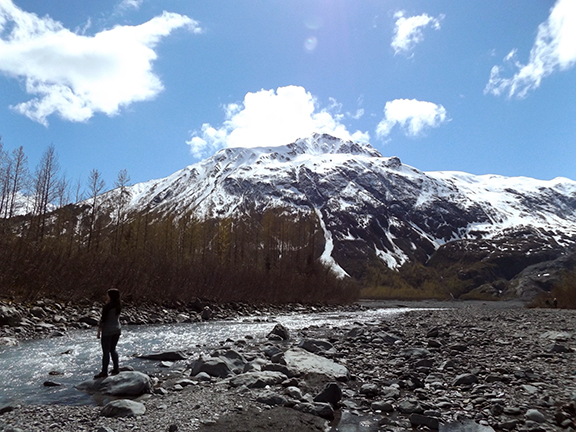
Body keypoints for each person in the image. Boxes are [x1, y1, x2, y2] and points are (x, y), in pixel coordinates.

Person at [94, 288, 122, 379]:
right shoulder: (118, 305)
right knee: (113, 349)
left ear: (110, 296)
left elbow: (103, 320)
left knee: (105, 351)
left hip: (108, 330)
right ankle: (116, 368)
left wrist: (99, 331)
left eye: (107, 294)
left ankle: (104, 371)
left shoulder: (107, 307)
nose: (106, 296)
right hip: (117, 329)